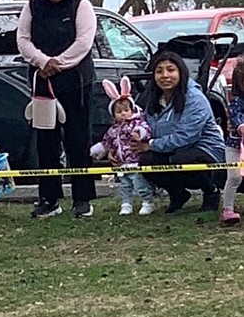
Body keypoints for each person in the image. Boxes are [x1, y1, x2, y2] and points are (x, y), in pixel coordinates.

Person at [17, 0, 97, 219]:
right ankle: (49, 199)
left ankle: (82, 199)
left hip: (76, 82)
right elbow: (23, 40)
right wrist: (42, 62)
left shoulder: (81, 6)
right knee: (46, 142)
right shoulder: (31, 8)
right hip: (42, 82)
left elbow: (83, 42)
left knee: (77, 139)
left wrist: (57, 64)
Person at [130, 51, 225, 214]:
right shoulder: (154, 99)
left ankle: (211, 192)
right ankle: (178, 195)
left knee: (180, 158)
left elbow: (186, 137)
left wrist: (151, 144)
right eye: (159, 71)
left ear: (181, 72)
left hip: (205, 150)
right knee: (146, 161)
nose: (165, 75)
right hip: (169, 148)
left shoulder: (195, 98)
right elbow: (144, 125)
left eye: (171, 70)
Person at [90, 76, 154, 215]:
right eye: (119, 112)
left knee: (140, 184)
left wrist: (139, 134)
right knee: (124, 185)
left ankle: (147, 201)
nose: (123, 114)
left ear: (132, 110)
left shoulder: (136, 123)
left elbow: (146, 129)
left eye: (126, 110)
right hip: (121, 164)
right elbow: (106, 142)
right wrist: (95, 150)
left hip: (135, 162)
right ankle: (126, 204)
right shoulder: (113, 129)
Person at [220, 58, 244, 224]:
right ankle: (227, 209)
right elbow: (236, 116)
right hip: (235, 147)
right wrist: (241, 125)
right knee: (234, 177)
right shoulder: (236, 102)